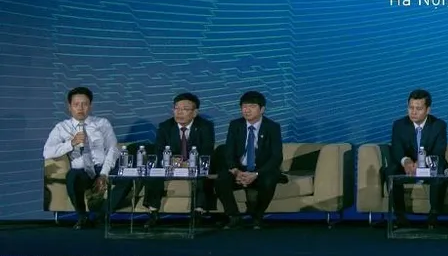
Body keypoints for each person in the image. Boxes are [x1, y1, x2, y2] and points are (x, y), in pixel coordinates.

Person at [42, 87, 130, 229]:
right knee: (72, 177)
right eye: (76, 104)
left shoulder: (102, 123)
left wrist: (104, 174)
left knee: (127, 177)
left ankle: (102, 215)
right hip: (82, 171)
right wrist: (71, 143)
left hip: (102, 166)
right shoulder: (61, 127)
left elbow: (113, 149)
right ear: (69, 107)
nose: (80, 108)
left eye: (85, 104)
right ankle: (82, 217)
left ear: (90, 106)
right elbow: (47, 152)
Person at [143, 92, 216, 228]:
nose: (179, 112)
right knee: (155, 173)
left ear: (195, 113)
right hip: (171, 167)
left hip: (194, 166)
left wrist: (190, 163)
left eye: (185, 109)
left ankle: (198, 212)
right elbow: (159, 151)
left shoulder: (205, 126)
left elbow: (207, 151)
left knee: (203, 173)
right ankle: (153, 212)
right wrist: (171, 162)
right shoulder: (165, 126)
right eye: (176, 108)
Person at [216, 91, 283, 230]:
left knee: (269, 180)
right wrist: (235, 171)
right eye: (244, 106)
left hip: (261, 170)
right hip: (240, 169)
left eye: (252, 106)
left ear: (262, 109)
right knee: (222, 179)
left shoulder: (272, 127)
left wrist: (256, 174)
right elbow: (229, 152)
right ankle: (234, 216)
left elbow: (276, 157)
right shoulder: (235, 125)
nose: (247, 110)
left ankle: (258, 217)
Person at [388, 89, 447, 227]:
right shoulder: (399, 125)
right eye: (411, 108)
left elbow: (439, 151)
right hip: (407, 166)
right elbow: (396, 149)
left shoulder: (439, 125)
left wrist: (420, 163)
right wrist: (406, 161)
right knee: (390, 169)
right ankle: (400, 216)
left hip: (428, 164)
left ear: (428, 110)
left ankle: (433, 215)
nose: (413, 112)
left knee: (440, 167)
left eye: (418, 109)